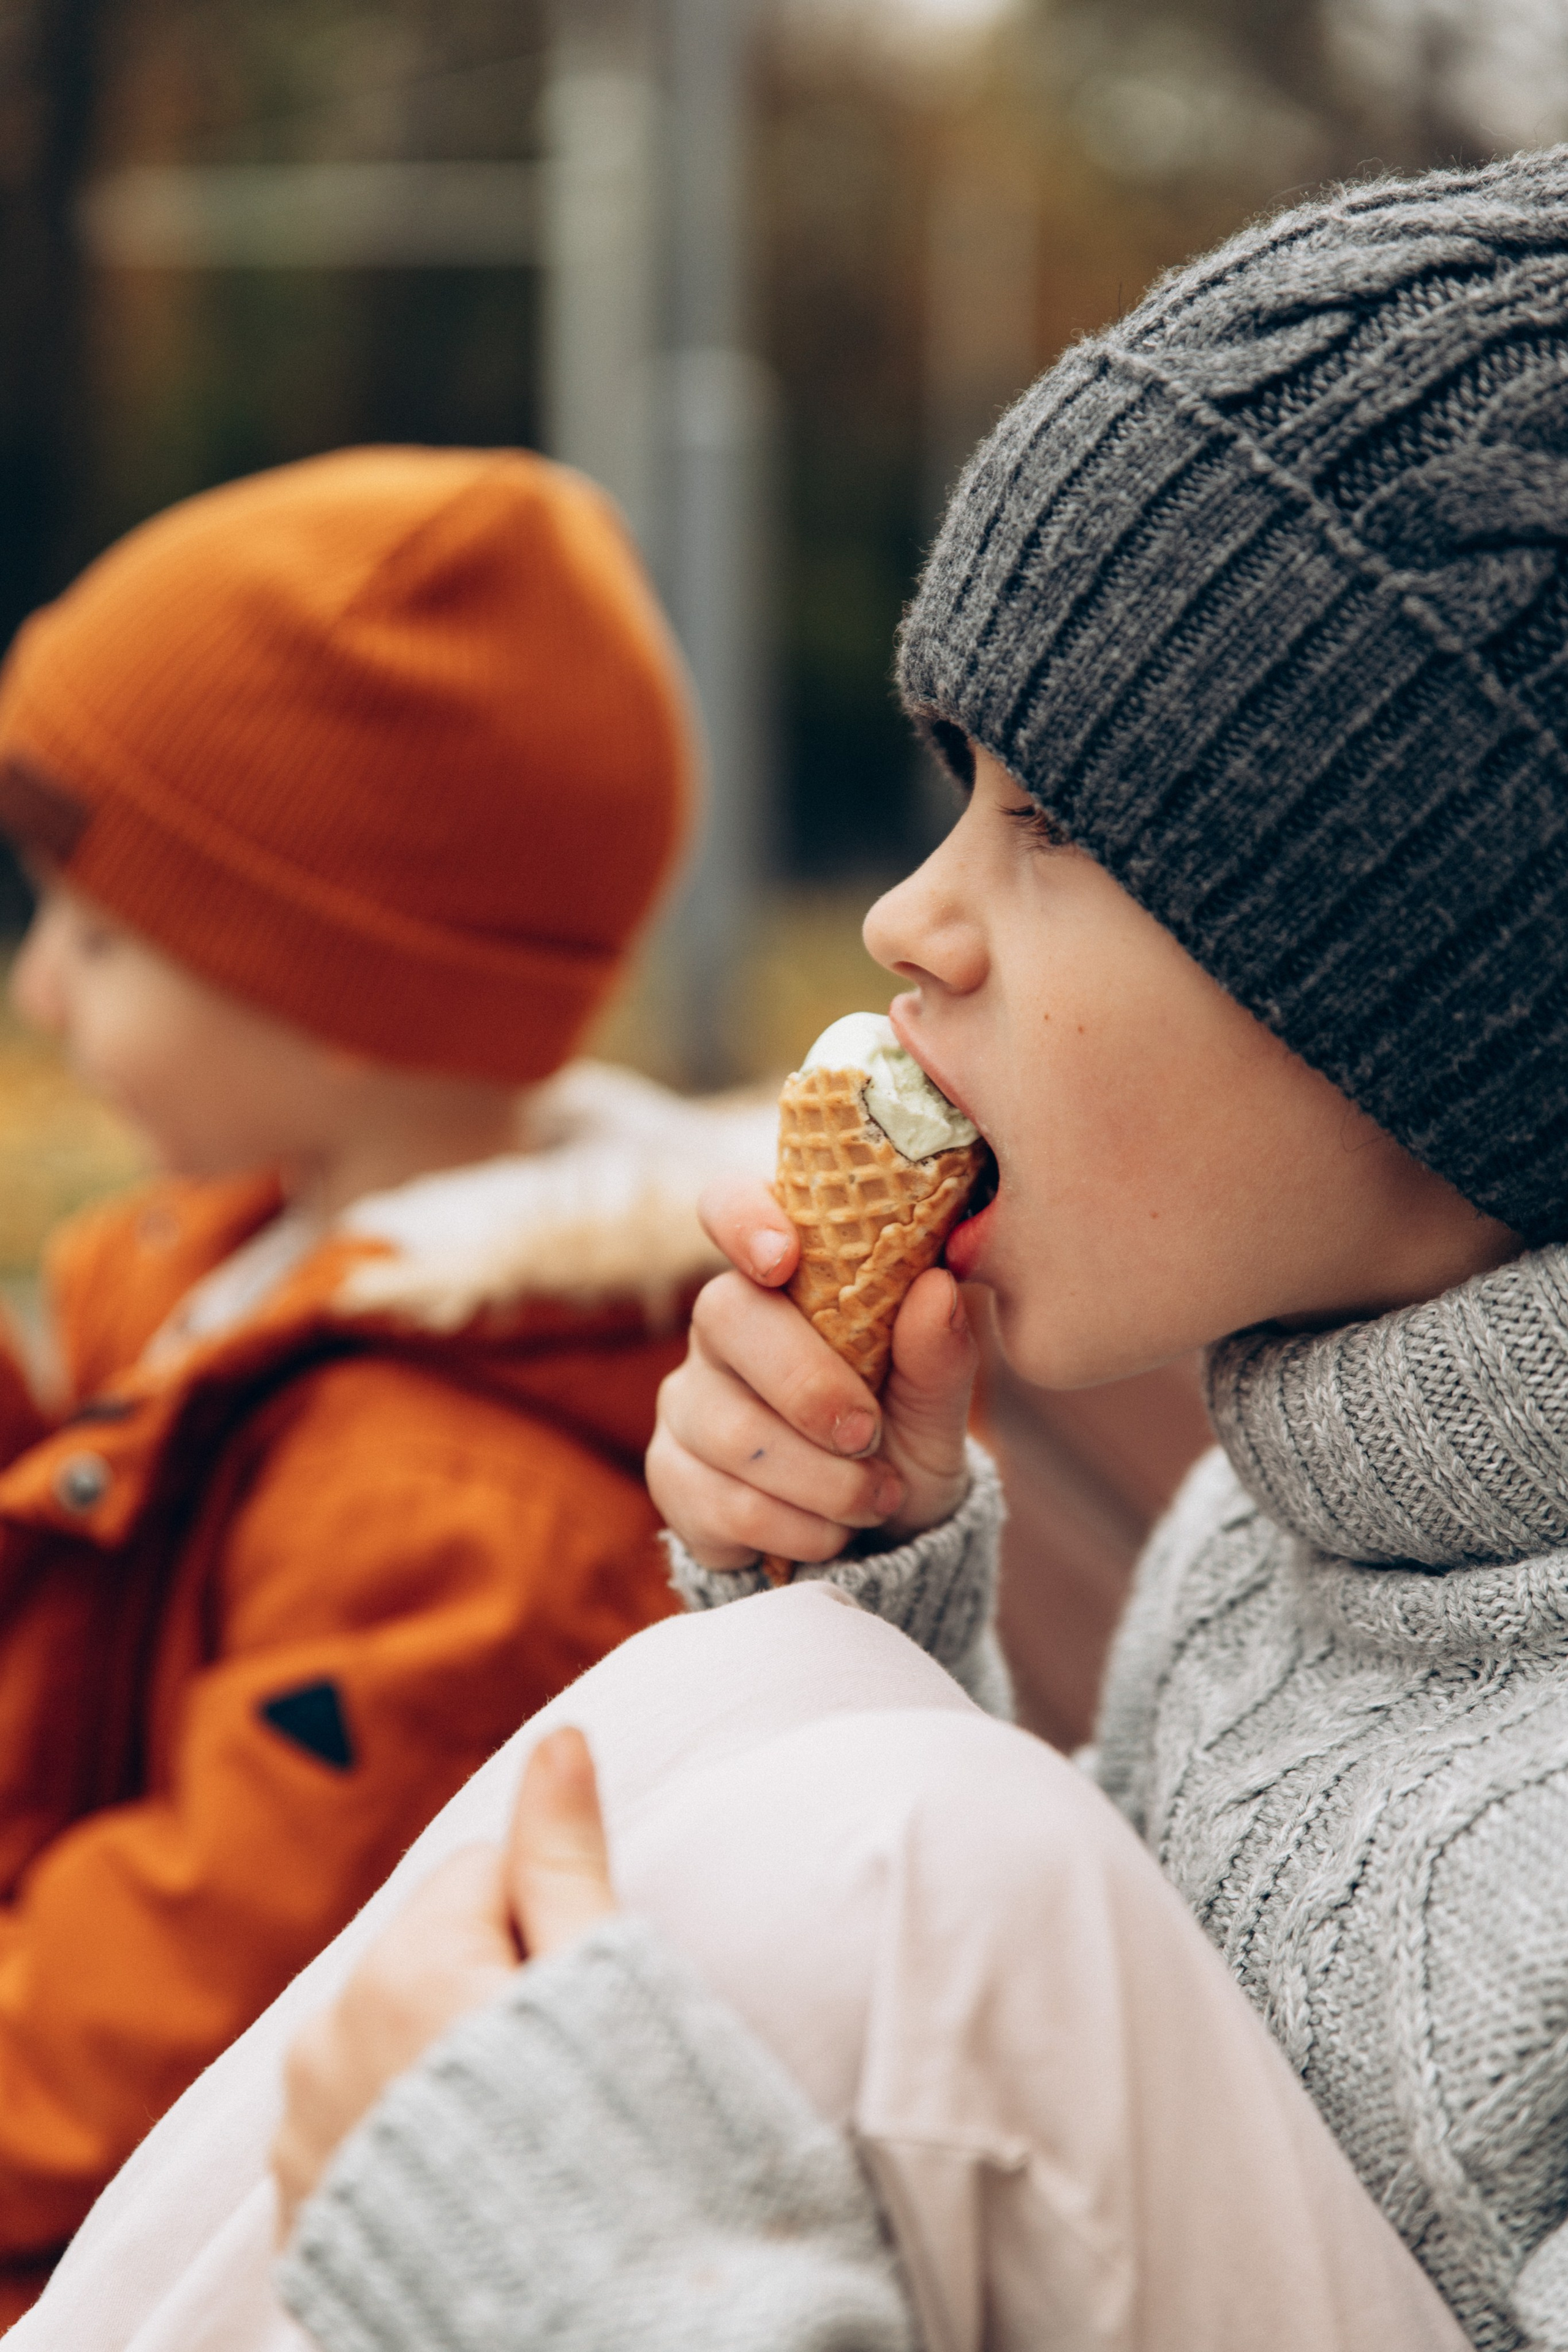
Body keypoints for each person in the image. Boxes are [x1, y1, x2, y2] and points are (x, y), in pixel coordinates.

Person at [12, 148, 1568, 2351]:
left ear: (1441, 972)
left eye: (1053, 831)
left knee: (927, 1849)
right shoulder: (1264, 1543)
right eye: (961, 791)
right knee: (798, 1695)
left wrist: (610, 2284)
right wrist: (881, 1599)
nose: (909, 919)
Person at [0, 444, 770, 2323]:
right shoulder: (231, 1275)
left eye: (97, 935)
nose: (40, 997)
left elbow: (183, 2018)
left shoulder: (445, 1511)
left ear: (335, 992)